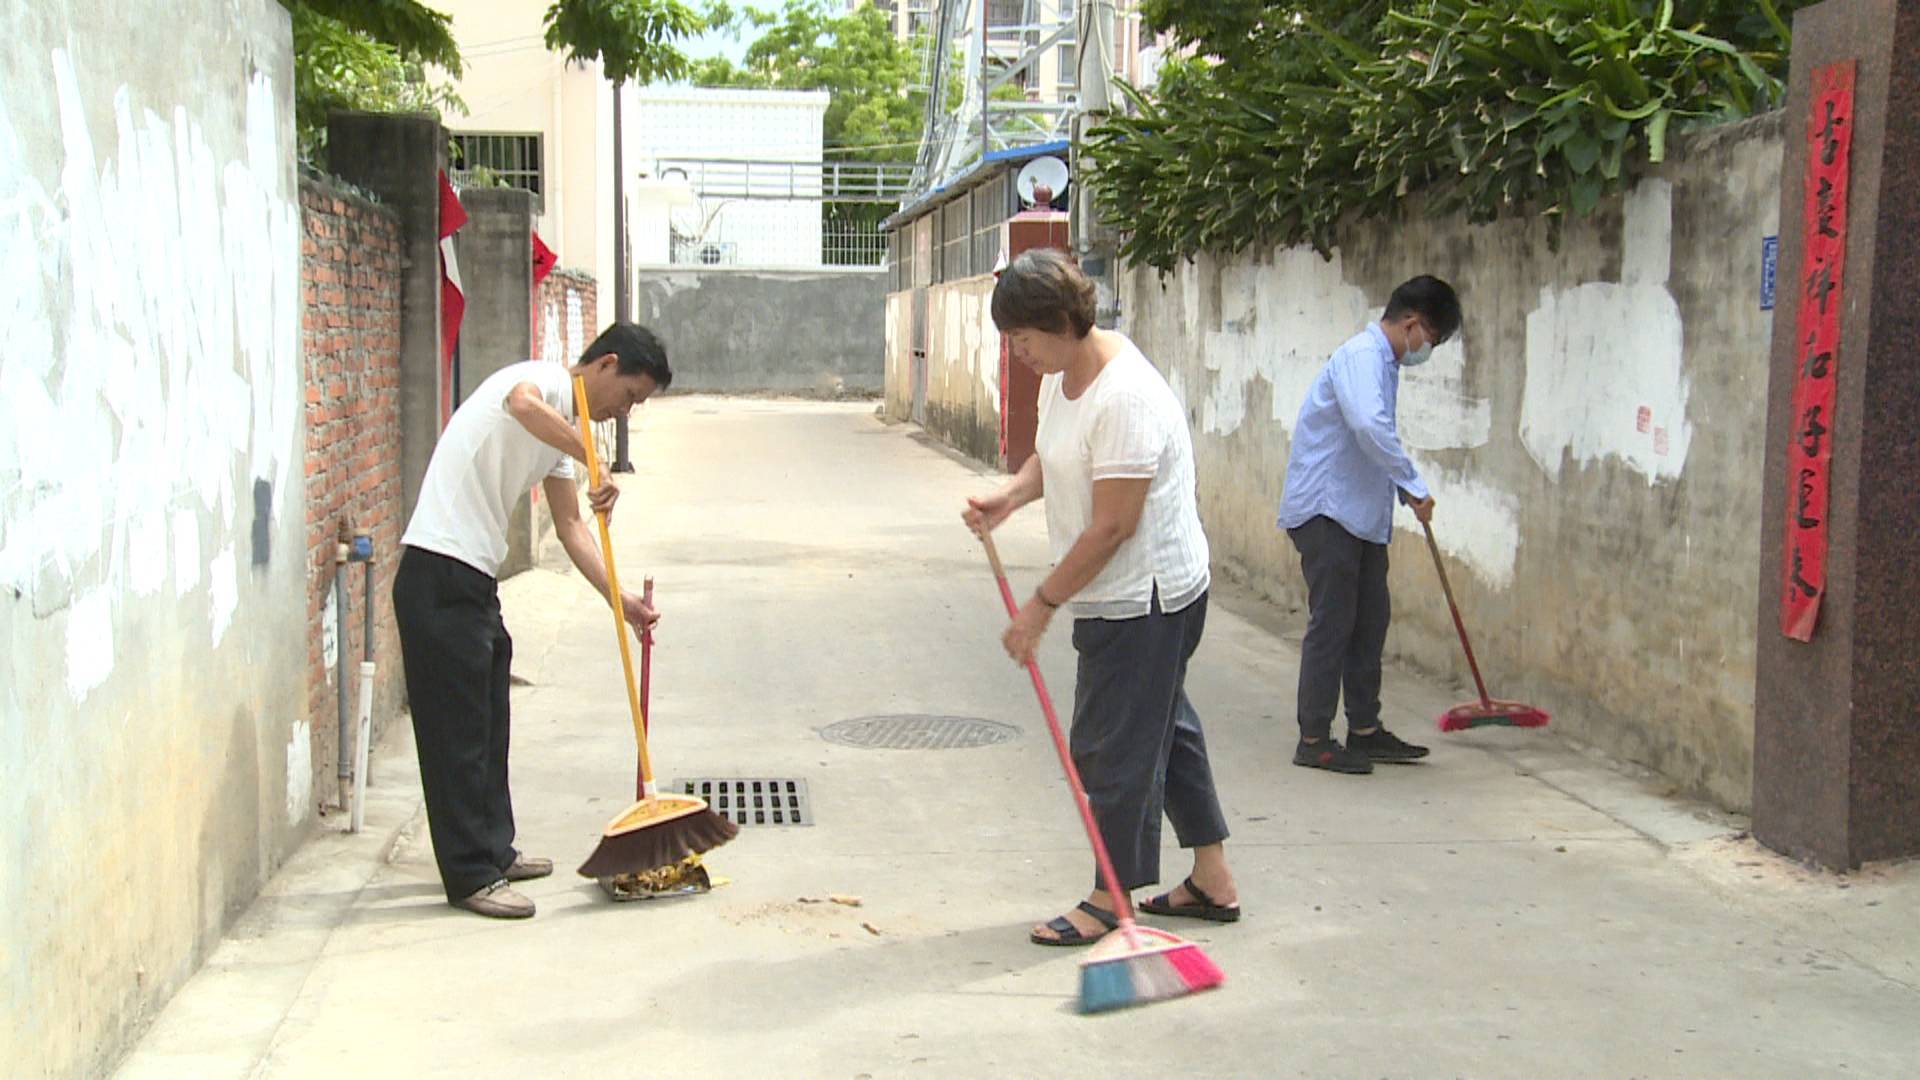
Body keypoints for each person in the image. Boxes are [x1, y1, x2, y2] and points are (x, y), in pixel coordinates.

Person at [964, 250, 1240, 946]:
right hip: (1123, 595)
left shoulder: (1126, 398)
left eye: (1023, 338)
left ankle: (1108, 897)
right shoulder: (1066, 375)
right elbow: (1054, 456)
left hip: (1147, 599)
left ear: (1061, 323)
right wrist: (1011, 495)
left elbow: (1114, 525)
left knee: (1112, 748)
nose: (1017, 353)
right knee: (1163, 733)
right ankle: (1212, 878)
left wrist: (1041, 605)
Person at [392, 323, 669, 918]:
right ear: (606, 364)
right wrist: (589, 456)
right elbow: (521, 405)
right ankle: (469, 875)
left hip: (471, 577)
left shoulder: (562, 428)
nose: (624, 411)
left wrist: (622, 604)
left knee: (490, 716)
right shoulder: (545, 382)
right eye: (629, 396)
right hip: (437, 570)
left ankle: (494, 850)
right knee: (458, 735)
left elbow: (571, 527)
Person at [1276, 276, 1463, 774]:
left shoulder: (1383, 364)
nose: (1427, 350)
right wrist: (1414, 483)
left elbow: (1369, 437)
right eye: (1432, 339)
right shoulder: (1362, 357)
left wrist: (1402, 487)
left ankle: (1364, 729)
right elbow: (1368, 426)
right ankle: (1314, 736)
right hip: (1327, 510)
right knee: (1333, 624)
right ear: (1412, 323)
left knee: (1368, 622)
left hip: (1356, 514)